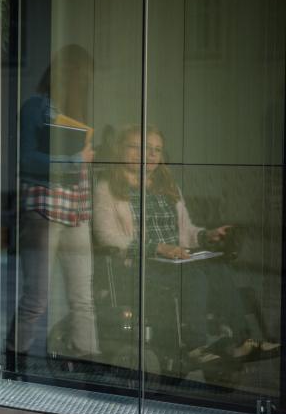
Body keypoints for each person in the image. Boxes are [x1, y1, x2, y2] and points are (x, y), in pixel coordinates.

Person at [93, 124, 276, 363]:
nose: (148, 155)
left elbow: (186, 231)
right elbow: (108, 237)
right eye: (138, 147)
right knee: (193, 277)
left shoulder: (166, 187)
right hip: (138, 266)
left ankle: (241, 342)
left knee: (217, 267)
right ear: (120, 150)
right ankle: (195, 347)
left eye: (156, 150)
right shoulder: (107, 188)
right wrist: (157, 248)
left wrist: (206, 235)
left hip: (175, 261)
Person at [8, 45, 99, 377]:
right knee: (37, 298)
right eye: (82, 78)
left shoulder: (81, 113)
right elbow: (27, 159)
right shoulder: (36, 107)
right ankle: (15, 365)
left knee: (83, 298)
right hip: (45, 210)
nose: (86, 84)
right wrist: (75, 160)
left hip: (77, 212)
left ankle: (90, 367)